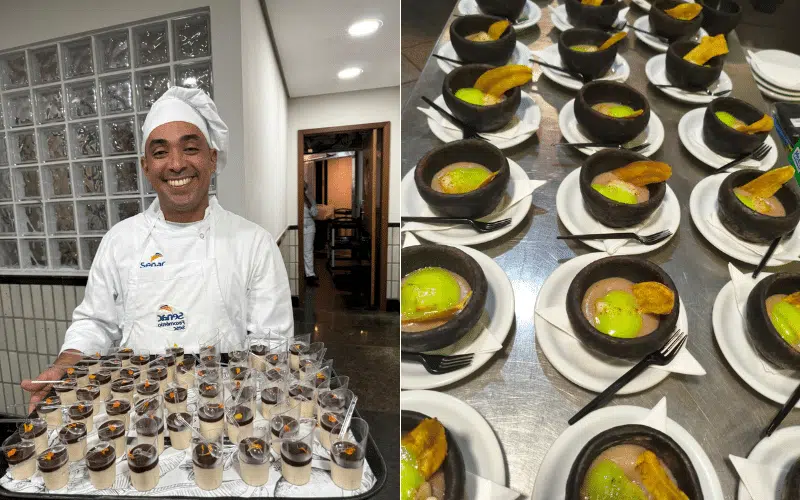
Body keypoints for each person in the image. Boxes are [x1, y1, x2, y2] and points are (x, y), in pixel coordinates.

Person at [21, 87, 293, 412]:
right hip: (137, 412)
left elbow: (272, 344)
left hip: (226, 411)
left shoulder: (254, 243)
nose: (176, 164)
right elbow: (96, 322)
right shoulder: (120, 240)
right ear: (146, 166)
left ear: (212, 158)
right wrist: (65, 364)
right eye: (161, 152)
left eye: (190, 148)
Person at [303, 181, 319, 286]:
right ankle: (304, 273)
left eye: (304, 188)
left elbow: (315, 213)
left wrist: (309, 204)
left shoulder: (309, 198)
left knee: (308, 251)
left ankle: (310, 275)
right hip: (299, 228)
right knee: (301, 251)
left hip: (309, 227)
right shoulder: (293, 199)